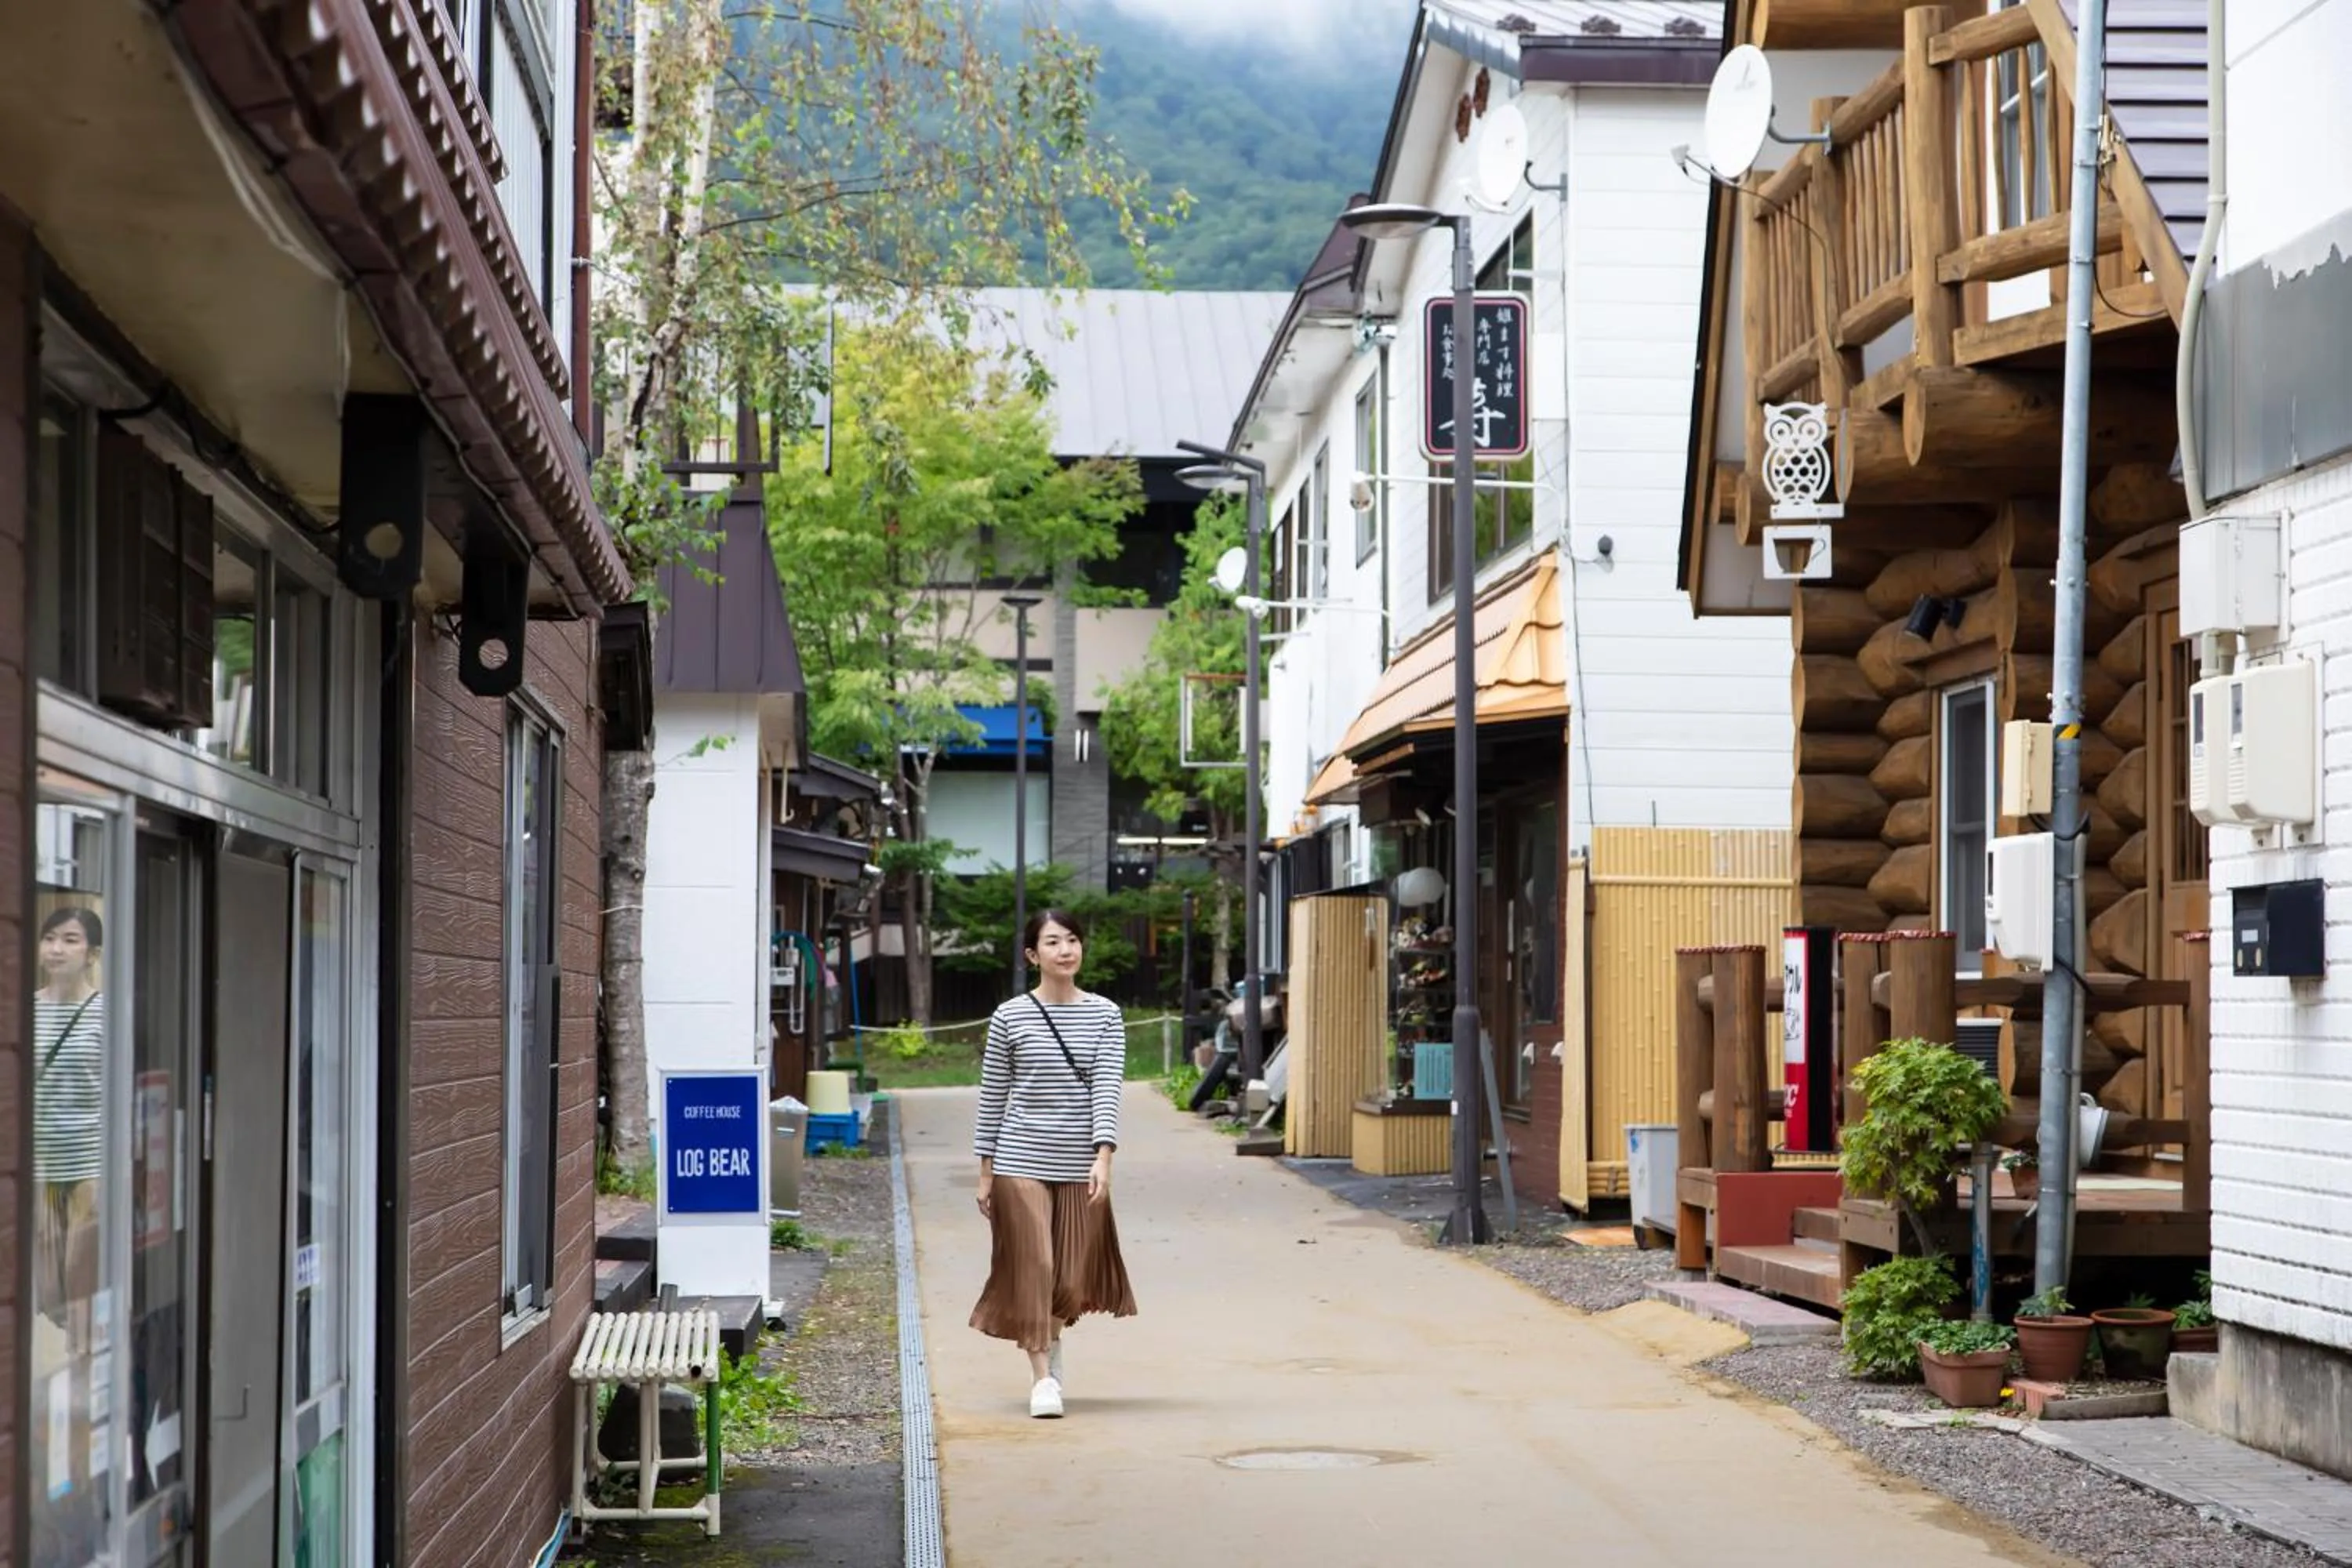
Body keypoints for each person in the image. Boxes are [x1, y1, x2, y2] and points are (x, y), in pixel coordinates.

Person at [969, 909, 1138, 1417]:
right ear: (1032, 955)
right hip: (1019, 1155)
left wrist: (1103, 1156)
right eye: (1052, 942)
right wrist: (985, 1170)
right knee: (1036, 1266)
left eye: (1072, 940)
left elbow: (1108, 1088)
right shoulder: (1010, 1016)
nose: (1065, 950)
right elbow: (993, 1094)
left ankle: (1051, 1338)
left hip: (1077, 1158)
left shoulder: (1106, 1015)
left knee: (1068, 1280)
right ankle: (1042, 1379)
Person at [33, 906, 106, 1319]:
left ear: (92, 954)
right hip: (38, 1164)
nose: (56, 949)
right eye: (49, 938)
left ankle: (84, 1366)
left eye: (70, 940)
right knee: (44, 1289)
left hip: (88, 1166)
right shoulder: (25, 1010)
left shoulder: (105, 1011)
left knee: (80, 1286)